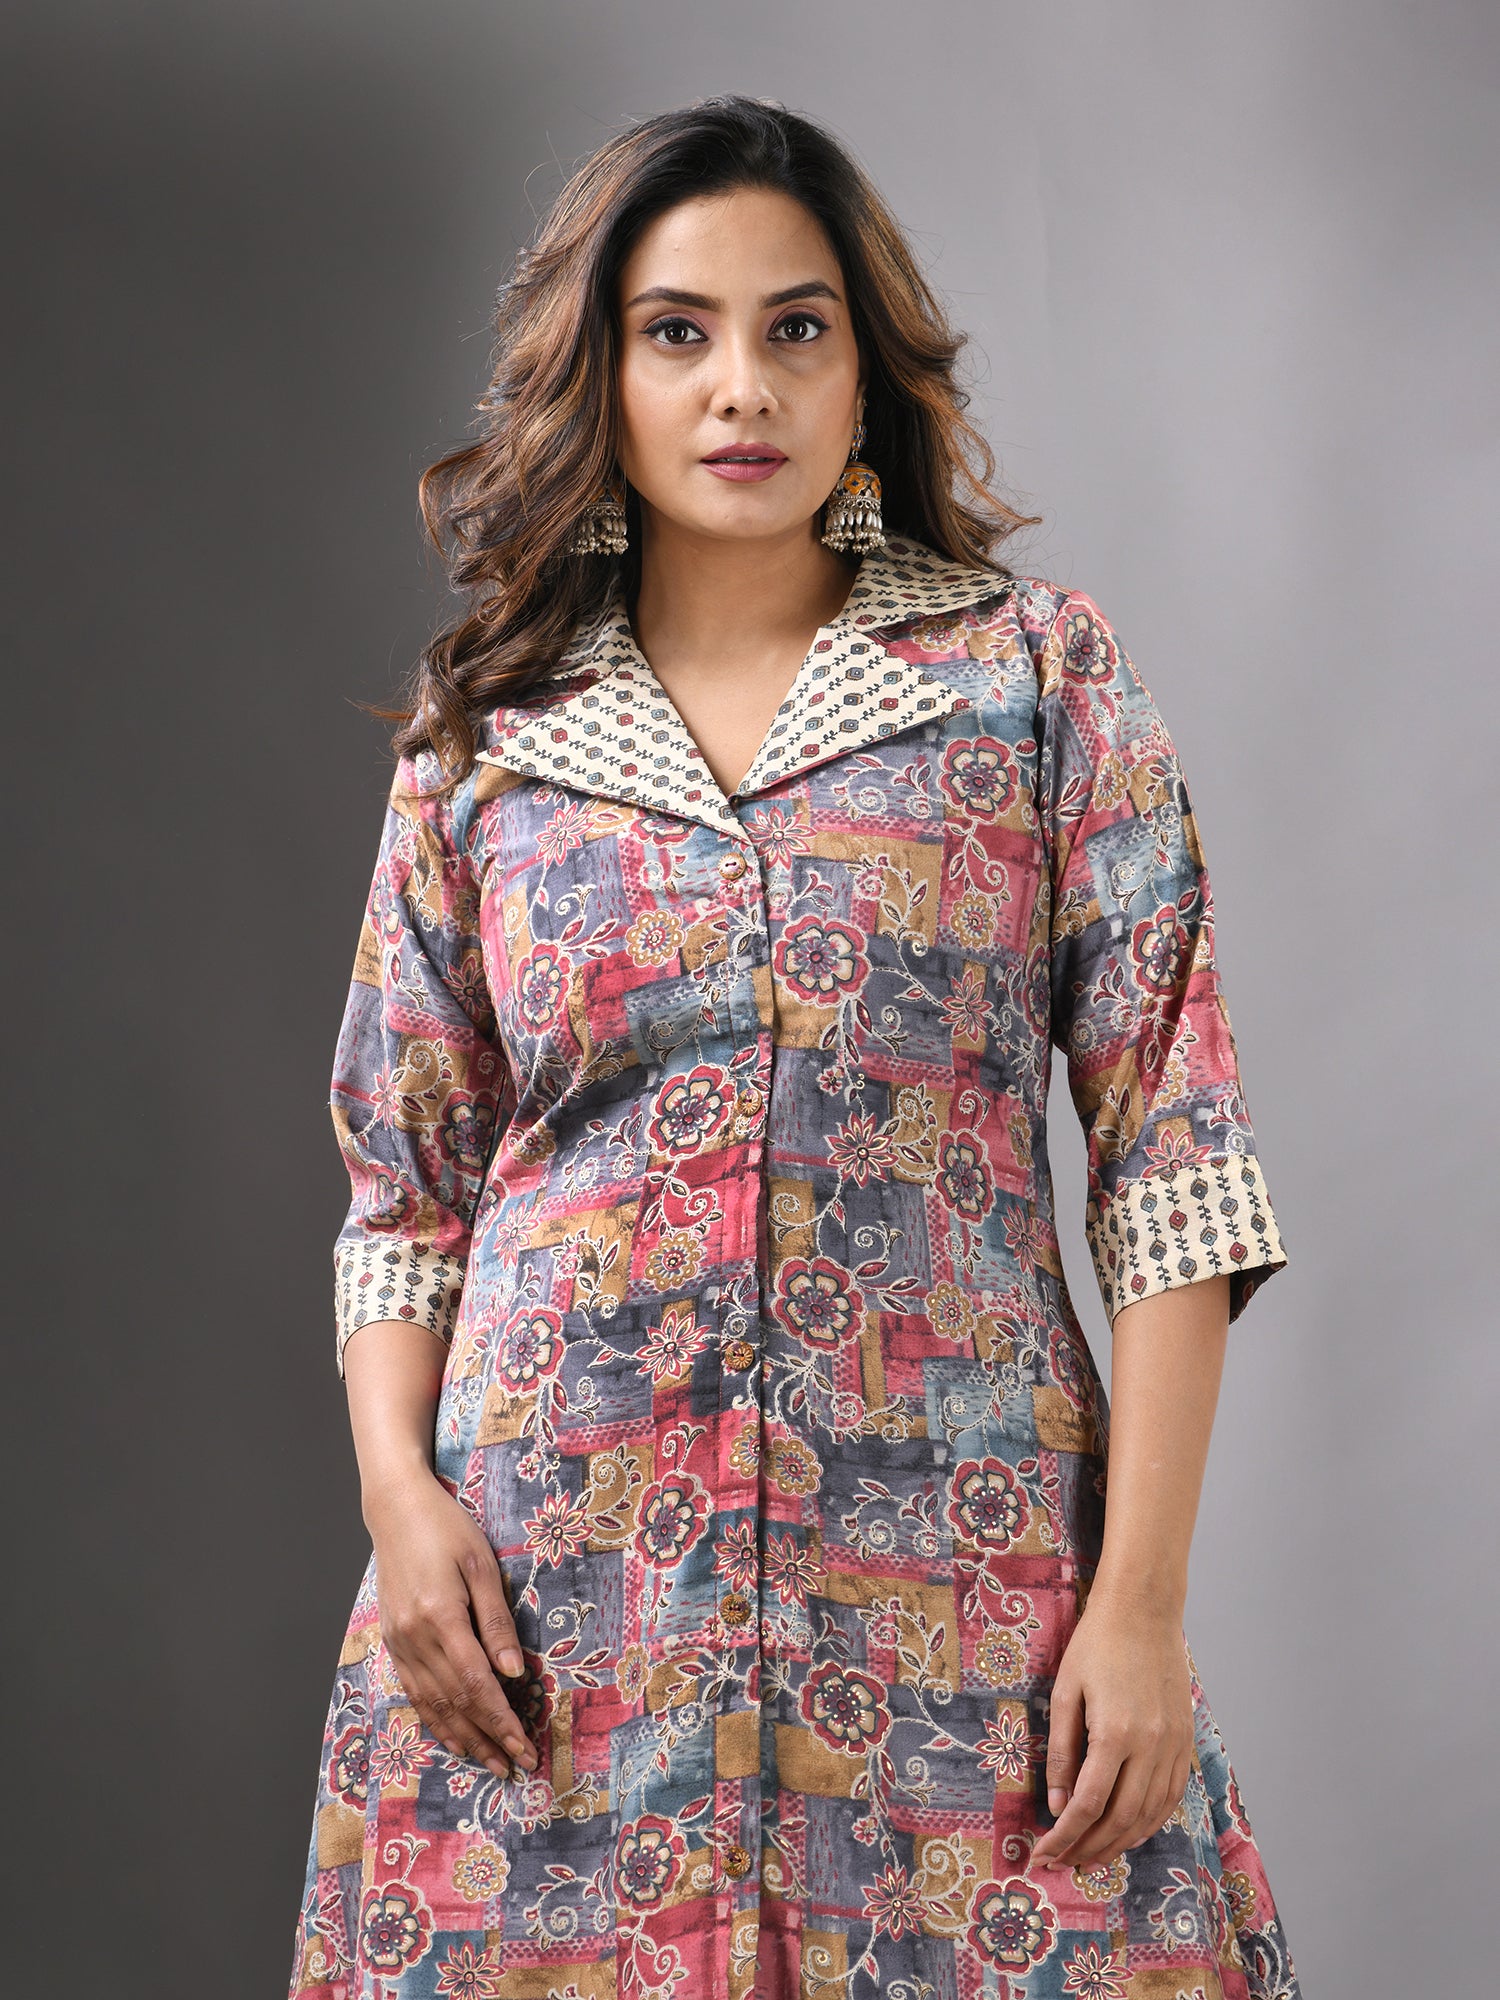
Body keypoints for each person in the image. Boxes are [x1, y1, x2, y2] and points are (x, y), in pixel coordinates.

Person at [288, 93, 1301, 2000]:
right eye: (678, 331)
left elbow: (1177, 1162)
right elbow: (405, 1191)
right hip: (552, 1611)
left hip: (962, 1590)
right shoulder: (488, 734)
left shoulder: (1032, 683)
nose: (740, 385)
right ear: (604, 372)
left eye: (795, 327)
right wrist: (398, 1507)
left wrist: (1143, 1605)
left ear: (863, 370)